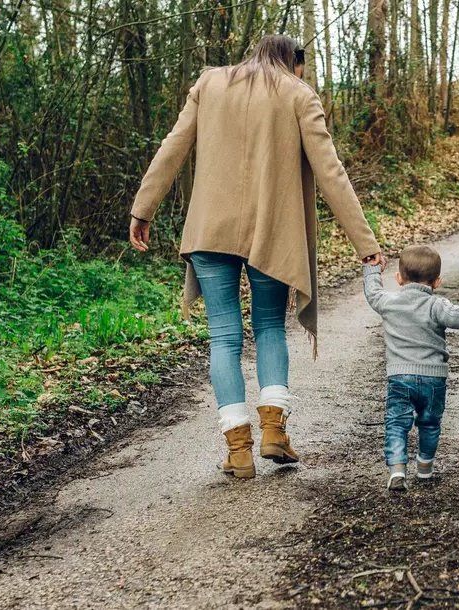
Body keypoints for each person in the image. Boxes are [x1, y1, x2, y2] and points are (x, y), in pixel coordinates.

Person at [128, 36, 385, 479]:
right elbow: (331, 172)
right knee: (268, 327)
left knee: (223, 336)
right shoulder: (298, 93)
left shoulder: (209, 84)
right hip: (273, 234)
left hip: (211, 230)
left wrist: (142, 208)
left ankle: (239, 449)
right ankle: (273, 432)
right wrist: (367, 244)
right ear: (294, 63)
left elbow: (173, 146)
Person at [364, 245, 459, 490]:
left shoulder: (388, 301)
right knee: (429, 422)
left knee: (396, 422)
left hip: (399, 377)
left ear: (398, 278)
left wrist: (371, 268)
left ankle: (397, 469)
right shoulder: (437, 305)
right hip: (433, 379)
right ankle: (425, 467)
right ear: (437, 281)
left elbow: (372, 292)